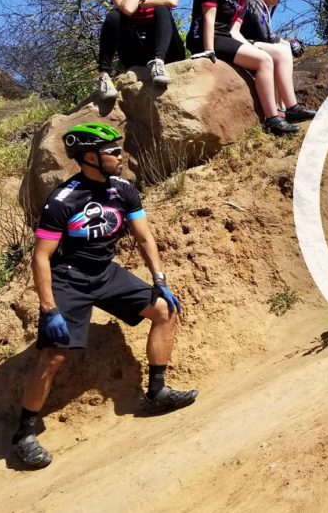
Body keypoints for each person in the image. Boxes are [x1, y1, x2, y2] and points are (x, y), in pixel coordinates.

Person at [12, 123, 197, 469]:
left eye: (117, 149)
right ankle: (24, 434)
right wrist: (49, 308)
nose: (119, 156)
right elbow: (41, 257)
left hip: (105, 273)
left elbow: (144, 237)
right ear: (89, 158)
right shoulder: (63, 200)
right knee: (53, 354)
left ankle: (157, 392)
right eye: (111, 151)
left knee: (165, 310)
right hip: (69, 279)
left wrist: (159, 279)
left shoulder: (123, 189)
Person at [186, 0, 300, 135]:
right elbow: (208, 18)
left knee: (274, 54)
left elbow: (235, 31)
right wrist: (208, 49)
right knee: (263, 60)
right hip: (205, 36)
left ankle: (291, 108)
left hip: (226, 37)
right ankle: (272, 119)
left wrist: (252, 48)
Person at [94, 0, 186, 101]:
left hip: (168, 50)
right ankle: (104, 75)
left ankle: (159, 63)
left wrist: (142, 3)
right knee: (114, 16)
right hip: (136, 52)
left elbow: (172, 1)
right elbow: (128, 8)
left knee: (162, 9)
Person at [240, 0, 315, 122]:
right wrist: (289, 43)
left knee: (281, 51)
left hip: (250, 47)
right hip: (243, 46)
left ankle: (282, 109)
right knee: (281, 51)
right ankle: (287, 108)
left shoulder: (261, 4)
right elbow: (264, 36)